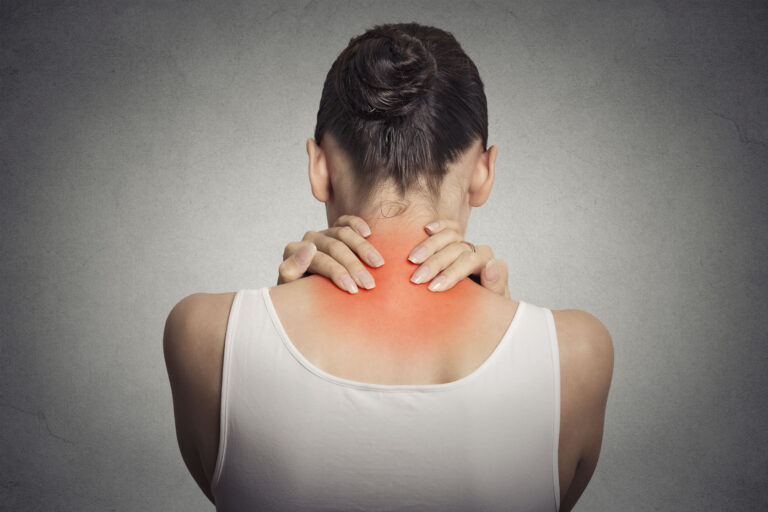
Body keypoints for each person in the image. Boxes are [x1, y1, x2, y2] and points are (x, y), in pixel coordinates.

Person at [163, 22, 613, 512]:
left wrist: (261, 327)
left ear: (319, 167)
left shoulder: (201, 335)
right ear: (483, 172)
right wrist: (518, 337)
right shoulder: (578, 355)